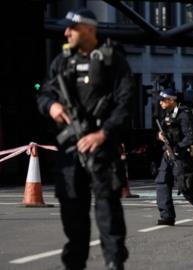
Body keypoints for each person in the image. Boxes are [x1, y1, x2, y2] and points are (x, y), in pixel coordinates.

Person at [36, 8, 133, 270]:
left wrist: (102, 134)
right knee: (72, 211)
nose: (66, 33)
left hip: (101, 147)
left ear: (90, 30)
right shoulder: (61, 61)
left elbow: (126, 104)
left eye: (73, 28)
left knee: (108, 211)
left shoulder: (113, 61)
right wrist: (51, 106)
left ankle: (114, 261)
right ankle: (74, 263)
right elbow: (44, 92)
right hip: (70, 148)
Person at [155, 88, 193, 226]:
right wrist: (160, 136)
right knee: (162, 183)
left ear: (172, 100)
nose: (160, 103)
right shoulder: (166, 114)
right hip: (167, 154)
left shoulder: (184, 115)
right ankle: (167, 216)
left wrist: (177, 147)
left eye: (163, 100)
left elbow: (191, 136)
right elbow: (165, 132)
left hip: (181, 156)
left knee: (186, 188)